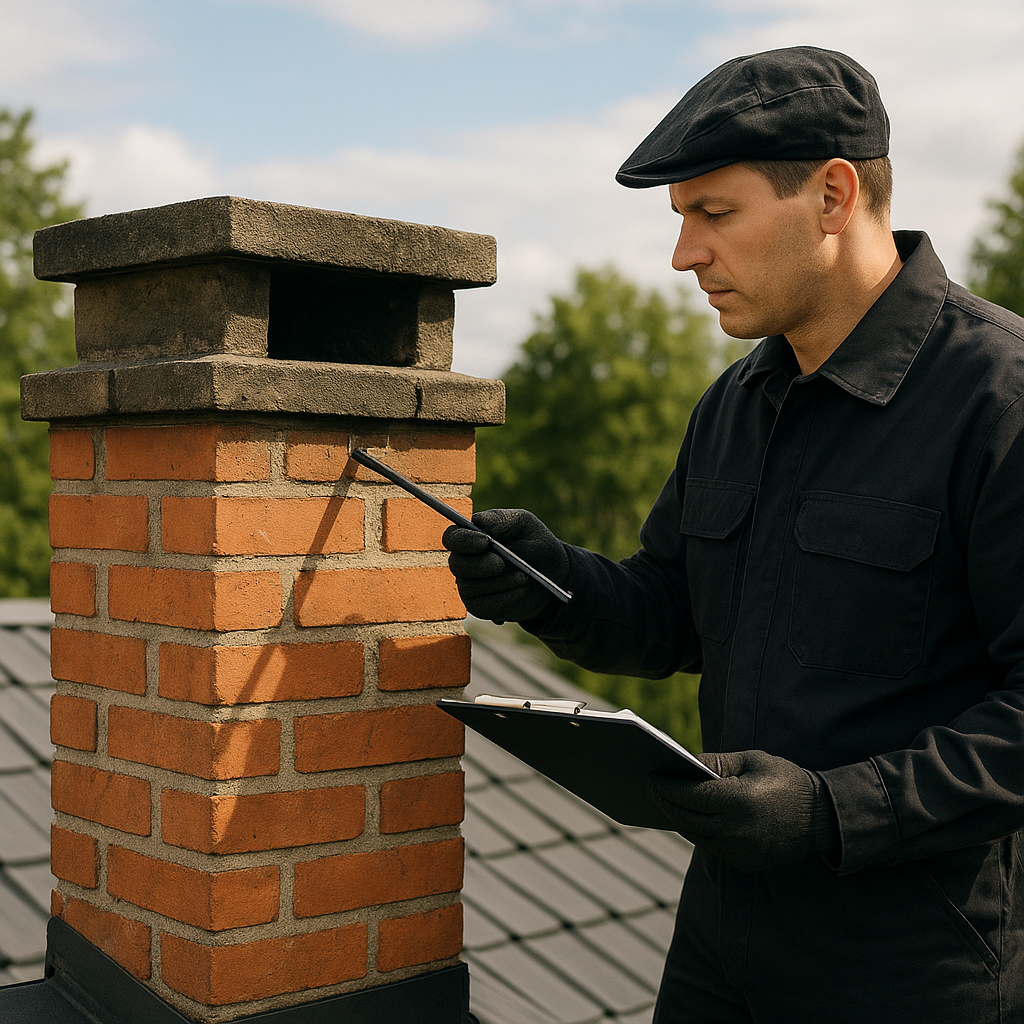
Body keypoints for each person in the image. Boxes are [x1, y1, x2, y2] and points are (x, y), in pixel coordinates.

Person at [443, 46, 1024, 1023]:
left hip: (917, 972)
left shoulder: (997, 398)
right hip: (719, 946)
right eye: (680, 221)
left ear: (833, 195)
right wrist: (550, 584)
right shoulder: (736, 401)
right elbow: (671, 613)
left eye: (714, 214)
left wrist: (830, 810)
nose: (684, 255)